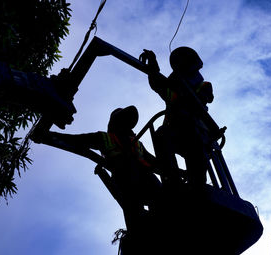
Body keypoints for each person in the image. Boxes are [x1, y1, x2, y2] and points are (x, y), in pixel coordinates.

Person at [31, 105, 162, 232]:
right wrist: (48, 135)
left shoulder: (138, 143)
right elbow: (77, 140)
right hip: (126, 179)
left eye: (128, 120)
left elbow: (155, 163)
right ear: (116, 123)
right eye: (123, 119)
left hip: (148, 181)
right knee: (137, 213)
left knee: (164, 199)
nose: (126, 123)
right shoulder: (104, 138)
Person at [139, 47, 216, 188]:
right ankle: (172, 181)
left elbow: (205, 98)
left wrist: (184, 96)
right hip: (177, 130)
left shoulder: (203, 86)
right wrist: (152, 63)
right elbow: (158, 83)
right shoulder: (173, 87)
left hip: (197, 132)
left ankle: (198, 187)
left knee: (198, 168)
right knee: (162, 135)